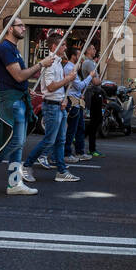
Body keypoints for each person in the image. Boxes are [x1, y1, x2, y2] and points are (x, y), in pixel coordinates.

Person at [0, 15, 55, 196]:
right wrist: (41, 64)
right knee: (15, 141)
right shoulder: (5, 48)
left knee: (18, 144)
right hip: (12, 101)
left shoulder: (13, 49)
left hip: (19, 100)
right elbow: (19, 76)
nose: (24, 28)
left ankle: (14, 183)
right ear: (10, 28)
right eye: (20, 25)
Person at [23, 33, 80, 183]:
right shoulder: (49, 64)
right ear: (54, 47)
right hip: (51, 107)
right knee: (49, 140)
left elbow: (58, 88)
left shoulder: (58, 63)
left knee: (60, 140)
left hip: (58, 106)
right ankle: (27, 165)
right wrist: (68, 79)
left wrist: (63, 99)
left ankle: (61, 171)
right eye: (62, 45)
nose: (65, 47)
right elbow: (50, 87)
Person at [64, 45, 90, 161]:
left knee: (80, 127)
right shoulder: (70, 68)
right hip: (72, 101)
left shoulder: (74, 67)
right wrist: (90, 77)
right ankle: (67, 153)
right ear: (73, 56)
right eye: (79, 55)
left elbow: (77, 88)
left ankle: (80, 151)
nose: (81, 57)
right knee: (72, 129)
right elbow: (79, 85)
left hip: (77, 100)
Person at [82, 44, 103, 159]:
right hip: (93, 93)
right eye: (93, 48)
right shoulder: (89, 63)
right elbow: (95, 82)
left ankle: (83, 138)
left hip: (95, 93)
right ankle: (91, 148)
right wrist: (100, 81)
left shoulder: (92, 63)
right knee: (95, 120)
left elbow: (98, 79)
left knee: (96, 120)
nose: (95, 50)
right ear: (88, 50)